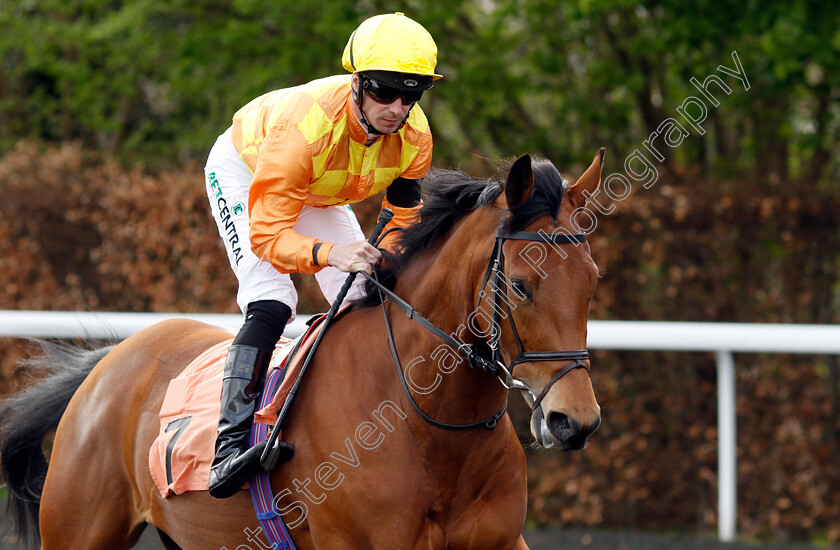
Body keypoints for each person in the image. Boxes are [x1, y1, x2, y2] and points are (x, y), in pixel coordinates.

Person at [202, 12, 442, 499]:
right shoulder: (304, 128)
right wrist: (332, 253)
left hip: (316, 189)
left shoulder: (416, 138)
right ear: (357, 83)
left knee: (369, 294)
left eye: (411, 95)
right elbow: (268, 237)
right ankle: (228, 450)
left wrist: (385, 259)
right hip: (248, 172)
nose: (398, 108)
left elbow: (403, 219)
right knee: (272, 299)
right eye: (384, 92)